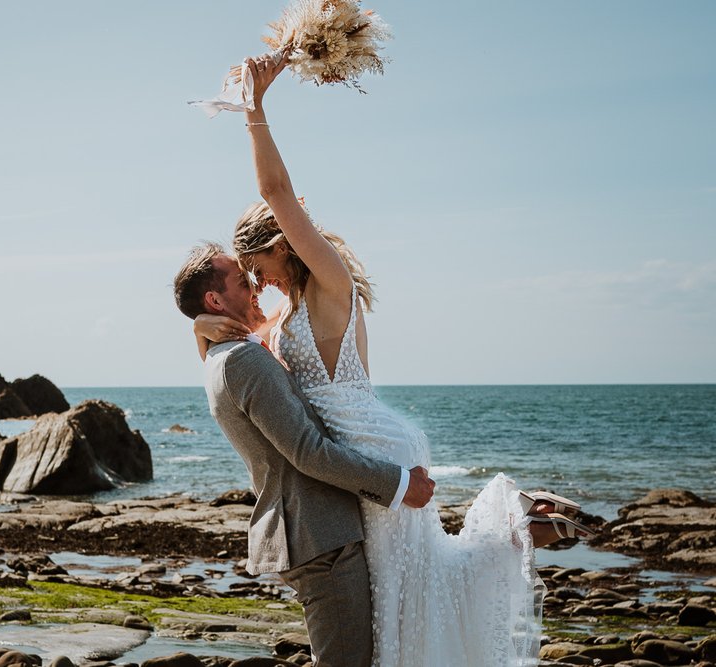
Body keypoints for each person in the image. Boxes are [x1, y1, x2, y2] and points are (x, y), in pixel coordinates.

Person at [191, 53, 596, 667]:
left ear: (280, 244)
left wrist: (255, 112)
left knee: (414, 591)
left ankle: (515, 526)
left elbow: (274, 191)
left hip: (373, 450)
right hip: (357, 458)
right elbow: (245, 361)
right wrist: (199, 328)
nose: (260, 282)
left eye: (259, 268)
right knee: (413, 588)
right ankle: (518, 527)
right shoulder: (283, 317)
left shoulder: (330, 286)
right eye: (248, 277)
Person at [173, 243, 437, 667]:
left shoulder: (222, 355)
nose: (257, 286)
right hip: (319, 535)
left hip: (313, 533)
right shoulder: (242, 358)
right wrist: (401, 484)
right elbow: (307, 452)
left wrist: (198, 328)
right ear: (215, 300)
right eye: (244, 281)